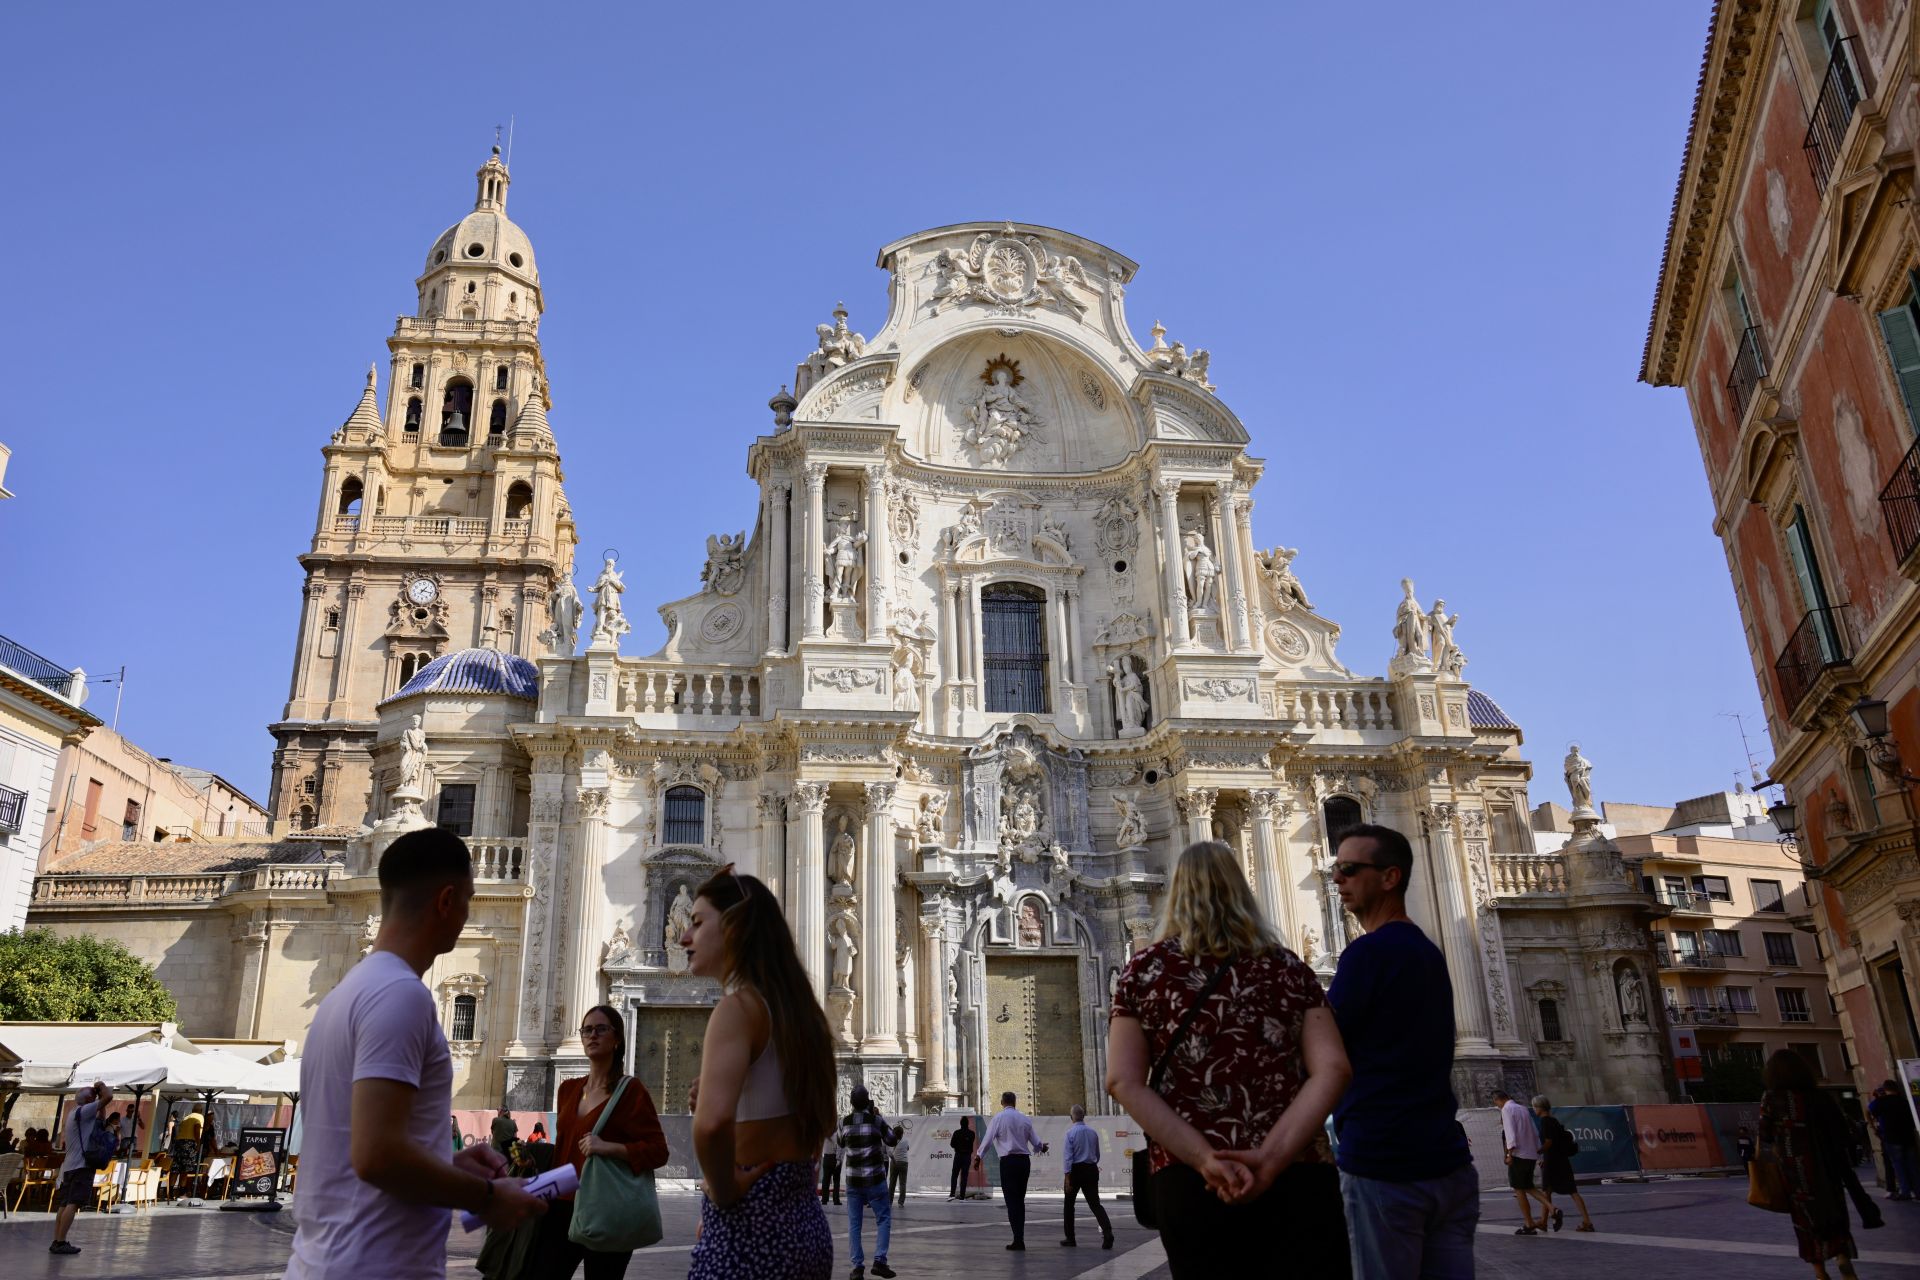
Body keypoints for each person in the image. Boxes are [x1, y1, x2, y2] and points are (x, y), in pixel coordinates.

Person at [284, 827, 545, 1280]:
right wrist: (487, 1199)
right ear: (447, 901)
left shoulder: (347, 994)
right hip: (376, 1266)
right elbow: (378, 1155)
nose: (467, 914)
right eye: (468, 899)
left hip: (330, 1259)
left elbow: (365, 1149)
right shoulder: (400, 995)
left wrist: (448, 1165)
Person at [1108, 840, 1351, 1279]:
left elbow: (1124, 1082)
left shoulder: (1144, 972)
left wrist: (1204, 1159)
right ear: (1242, 891)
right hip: (1296, 1173)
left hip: (1190, 1178)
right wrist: (1272, 1158)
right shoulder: (1289, 968)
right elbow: (1333, 1069)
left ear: (1176, 894)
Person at [1324, 823, 1478, 1277]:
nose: (1338, 880)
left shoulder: (1367, 955)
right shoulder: (1428, 952)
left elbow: (1322, 1051)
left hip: (1386, 1167)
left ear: (1390, 877)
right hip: (1448, 1165)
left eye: (1350, 869)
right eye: (1336, 870)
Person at [681, 865, 836, 1280]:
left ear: (734, 926)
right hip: (802, 1223)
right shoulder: (806, 1018)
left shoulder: (737, 1009)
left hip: (753, 1225)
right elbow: (814, 1121)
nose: (684, 937)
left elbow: (711, 1126)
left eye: (697, 923)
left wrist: (725, 1195)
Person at [530, 1004, 669, 1279]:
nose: (592, 1035)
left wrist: (609, 1148)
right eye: (587, 1030)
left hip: (606, 1206)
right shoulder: (568, 1090)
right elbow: (565, 1150)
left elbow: (658, 1152)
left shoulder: (630, 1091)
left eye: (601, 1029)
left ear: (617, 1039)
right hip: (562, 1203)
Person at [1762, 1049, 1861, 1279]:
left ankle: (1819, 1271)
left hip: (1795, 1171)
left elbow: (1765, 1134)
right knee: (1834, 1212)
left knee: (1805, 1221)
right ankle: (1842, 1256)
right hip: (1826, 1165)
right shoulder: (1821, 1097)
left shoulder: (1771, 1099)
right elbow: (1843, 1133)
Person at [834, 1083, 899, 1279]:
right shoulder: (876, 1121)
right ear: (868, 1102)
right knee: (883, 1219)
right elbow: (891, 1140)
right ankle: (880, 1260)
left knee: (854, 1224)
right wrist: (877, 1118)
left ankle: (857, 1267)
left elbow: (840, 1142)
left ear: (851, 1103)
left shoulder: (844, 1122)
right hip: (875, 1180)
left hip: (853, 1182)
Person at [977, 1092, 1049, 1250]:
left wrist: (978, 1157)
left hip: (1008, 1163)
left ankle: (1018, 1239)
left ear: (1002, 1102)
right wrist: (1042, 1147)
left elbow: (987, 1140)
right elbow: (1036, 1142)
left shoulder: (998, 1118)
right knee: (1019, 1200)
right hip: (1024, 1162)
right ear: (1015, 1102)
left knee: (1011, 1201)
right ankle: (1019, 1236)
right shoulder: (1024, 1118)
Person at [48, 1078, 111, 1257]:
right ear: (90, 1100)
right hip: (81, 1165)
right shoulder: (85, 1111)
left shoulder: (74, 1113)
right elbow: (109, 1097)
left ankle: (57, 1240)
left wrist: (98, 1099)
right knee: (73, 1204)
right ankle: (61, 1242)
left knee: (64, 1203)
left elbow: (101, 1117)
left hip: (69, 1165)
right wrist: (101, 1087)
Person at [1532, 1096, 1593, 1233]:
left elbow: (1549, 1142)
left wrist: (1537, 1152)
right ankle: (1587, 1221)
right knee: (1572, 1191)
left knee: (1546, 1190)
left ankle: (1543, 1221)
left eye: (1535, 1107)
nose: (1534, 1109)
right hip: (1562, 1160)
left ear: (1540, 1108)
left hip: (1552, 1161)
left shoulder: (1545, 1122)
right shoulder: (1554, 1121)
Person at [1495, 1088, 1550, 1233]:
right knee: (1528, 1186)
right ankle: (1552, 1209)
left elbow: (1510, 1133)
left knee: (1519, 1189)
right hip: (1530, 1154)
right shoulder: (1523, 1109)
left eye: (1496, 1103)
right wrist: (1538, 1152)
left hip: (1518, 1155)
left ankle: (1529, 1223)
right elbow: (1534, 1131)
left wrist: (1509, 1154)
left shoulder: (1506, 1110)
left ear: (1498, 1100)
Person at [1059, 1103, 1113, 1250]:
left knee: (1069, 1205)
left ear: (1071, 1118)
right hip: (1091, 1169)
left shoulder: (1070, 1133)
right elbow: (1097, 1154)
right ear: (1084, 1116)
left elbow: (1067, 1158)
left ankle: (1070, 1238)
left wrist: (1067, 1177)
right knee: (1095, 1204)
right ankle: (1108, 1233)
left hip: (1075, 1170)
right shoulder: (1093, 1132)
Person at [1869, 1079, 1920, 1200]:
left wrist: (1878, 1096)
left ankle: (1905, 1191)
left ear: (1885, 1090)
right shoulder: (1905, 1102)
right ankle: (1918, 1190)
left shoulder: (1881, 1102)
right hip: (1908, 1137)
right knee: (1913, 1165)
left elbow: (1871, 1109)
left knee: (1899, 1165)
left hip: (1892, 1138)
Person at [947, 1117, 975, 1201]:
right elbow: (971, 1143)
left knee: (955, 1174)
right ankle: (962, 1195)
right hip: (967, 1156)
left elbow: (952, 1144)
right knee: (964, 1176)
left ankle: (952, 1193)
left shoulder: (956, 1133)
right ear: (968, 1123)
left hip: (958, 1155)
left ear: (960, 1123)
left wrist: (958, 1146)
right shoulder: (972, 1133)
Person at [887, 1120, 909, 1207]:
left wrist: (894, 1159)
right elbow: (907, 1148)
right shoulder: (906, 1140)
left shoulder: (891, 1141)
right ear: (902, 1133)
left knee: (892, 1182)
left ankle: (890, 1201)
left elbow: (889, 1152)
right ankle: (901, 1202)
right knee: (902, 1183)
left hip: (894, 1162)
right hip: (904, 1162)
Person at [818, 1131, 842, 1205]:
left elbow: (820, 1146)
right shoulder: (837, 1135)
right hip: (834, 1157)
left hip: (826, 1157)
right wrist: (838, 1159)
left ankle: (824, 1200)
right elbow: (839, 1147)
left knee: (825, 1179)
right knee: (836, 1180)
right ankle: (836, 1200)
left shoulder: (824, 1135)